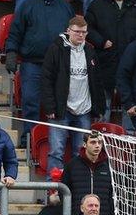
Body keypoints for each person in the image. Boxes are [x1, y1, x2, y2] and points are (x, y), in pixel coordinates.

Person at [5, 0, 74, 144]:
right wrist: (12, 52)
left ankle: (57, 141)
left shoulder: (65, 6)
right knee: (31, 103)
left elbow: (74, 34)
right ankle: (29, 140)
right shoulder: (27, 4)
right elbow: (16, 31)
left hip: (59, 65)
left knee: (60, 103)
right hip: (32, 64)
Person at [41, 16, 103, 178]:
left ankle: (77, 190)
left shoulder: (90, 50)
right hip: (61, 109)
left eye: (84, 32)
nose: (81, 35)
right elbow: (46, 79)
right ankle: (53, 193)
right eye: (77, 32)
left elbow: (97, 81)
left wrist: (98, 108)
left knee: (81, 152)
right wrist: (49, 106)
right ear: (68, 31)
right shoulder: (56, 49)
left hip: (84, 110)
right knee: (56, 152)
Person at [86, 0, 136, 121]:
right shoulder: (97, 5)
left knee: (129, 105)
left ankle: (128, 140)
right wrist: (102, 42)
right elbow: (88, 28)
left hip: (130, 61)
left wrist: (134, 49)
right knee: (104, 103)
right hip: (105, 60)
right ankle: (100, 138)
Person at [61, 131, 114, 215]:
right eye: (93, 142)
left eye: (100, 142)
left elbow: (112, 194)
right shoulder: (72, 165)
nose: (97, 146)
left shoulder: (109, 166)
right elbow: (64, 191)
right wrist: (73, 213)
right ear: (84, 144)